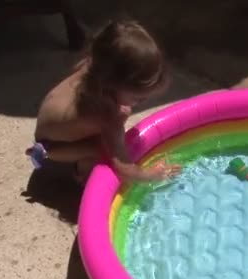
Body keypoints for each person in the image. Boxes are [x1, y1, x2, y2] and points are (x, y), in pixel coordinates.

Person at [25, 18, 181, 184]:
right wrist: (153, 175)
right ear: (111, 84)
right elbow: (126, 171)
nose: (143, 101)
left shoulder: (95, 66)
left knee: (112, 128)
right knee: (104, 152)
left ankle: (59, 149)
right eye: (138, 98)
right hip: (51, 144)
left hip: (50, 128)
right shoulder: (108, 117)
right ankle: (81, 175)